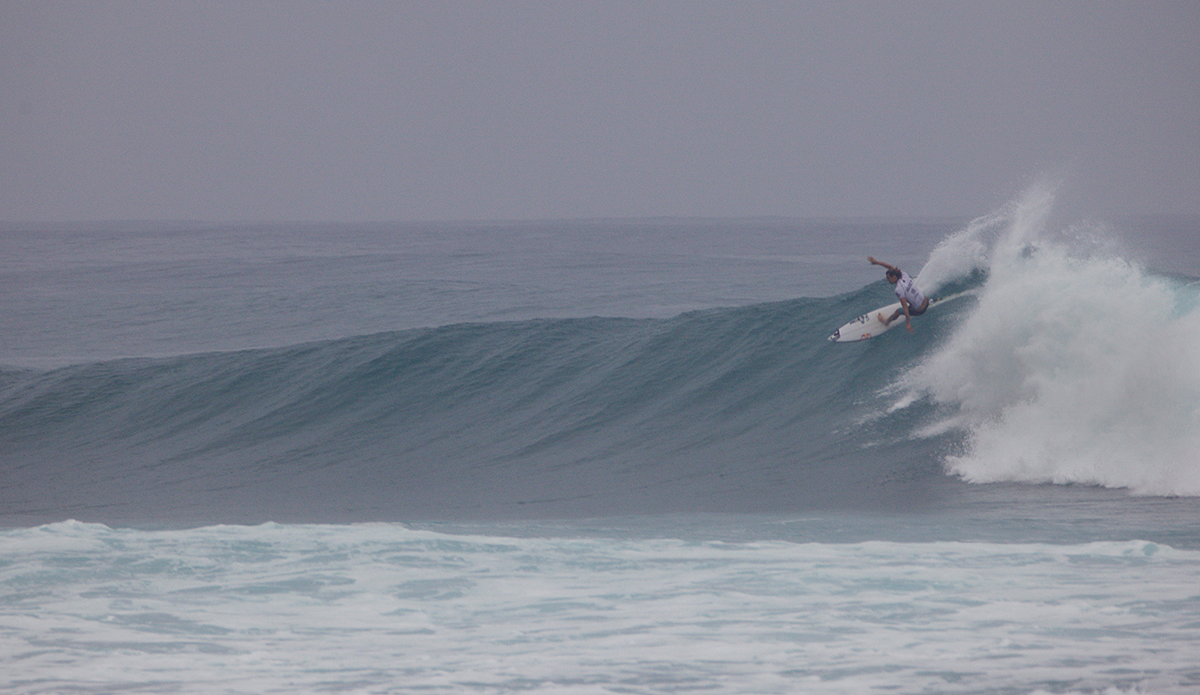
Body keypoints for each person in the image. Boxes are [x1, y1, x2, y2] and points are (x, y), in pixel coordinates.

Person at [868, 256, 928, 333]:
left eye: (889, 278)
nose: (888, 281)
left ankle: (886, 322)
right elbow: (890, 267)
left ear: (894, 277)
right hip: (926, 301)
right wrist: (876, 262)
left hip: (920, 311)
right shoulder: (904, 274)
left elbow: (905, 308)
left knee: (898, 311)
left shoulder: (899, 289)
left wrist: (908, 323)